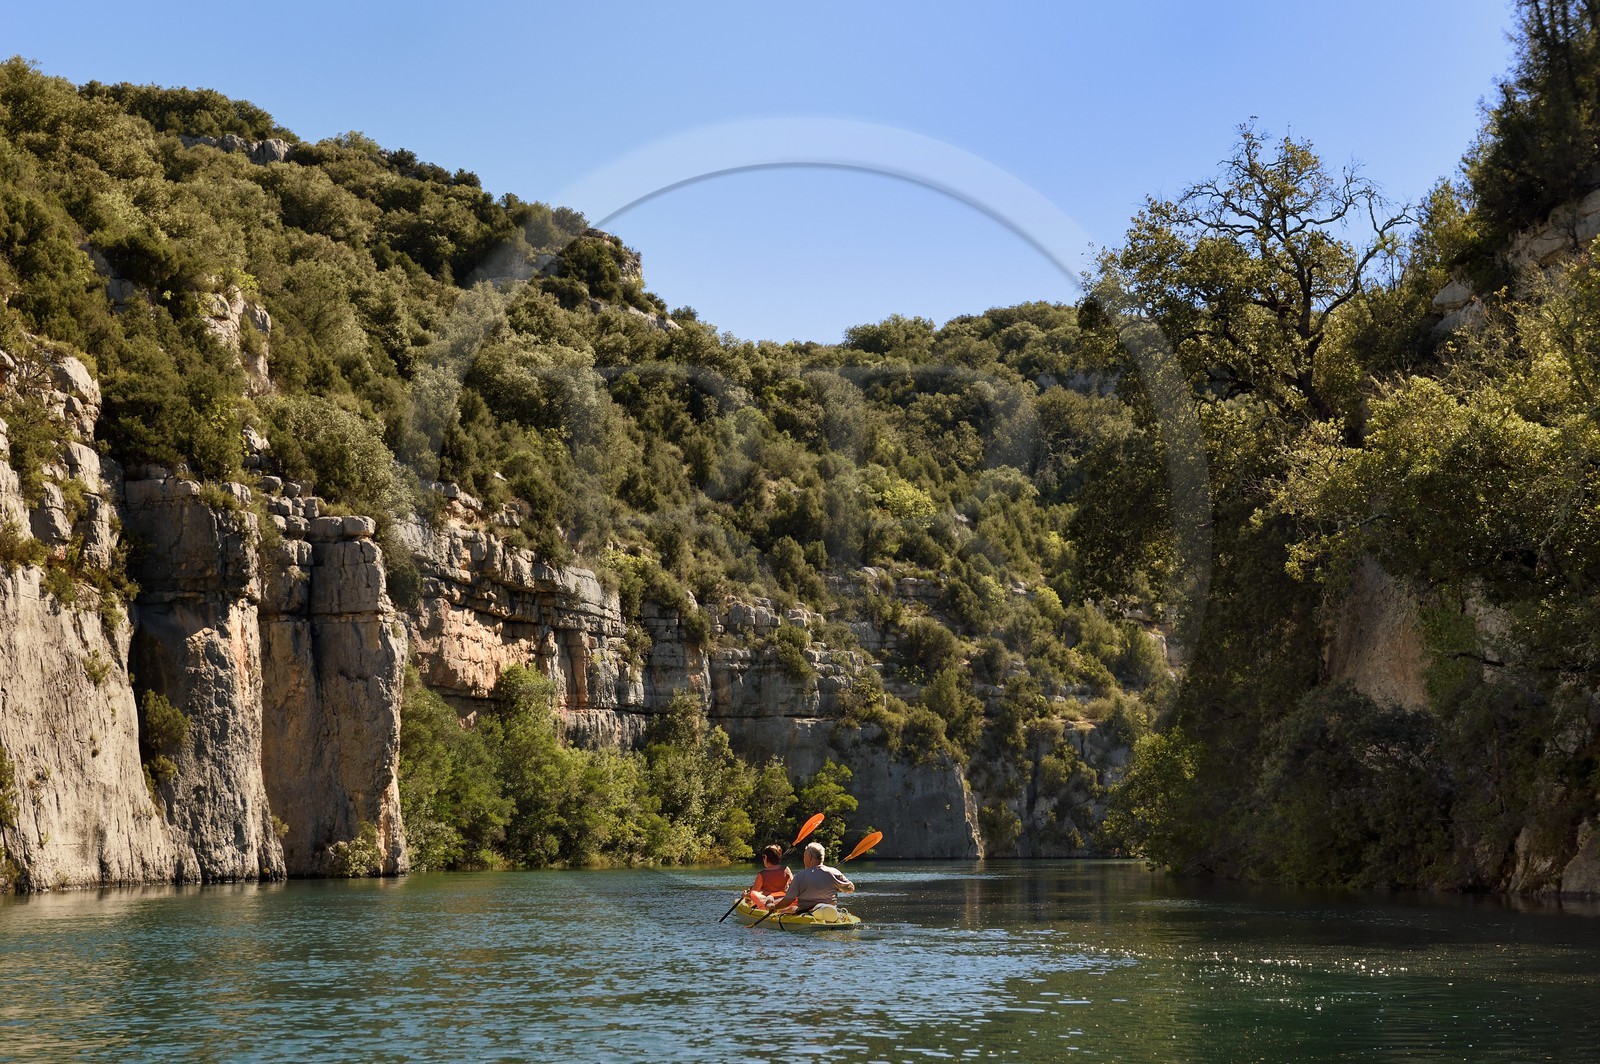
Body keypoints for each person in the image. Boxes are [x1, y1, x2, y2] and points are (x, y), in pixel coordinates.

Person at [768, 841, 854, 914]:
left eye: (804, 856)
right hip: (831, 912)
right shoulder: (834, 872)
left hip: (806, 913)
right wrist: (839, 887)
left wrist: (774, 908)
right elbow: (850, 888)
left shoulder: (800, 876)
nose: (803, 859)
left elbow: (787, 901)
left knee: (789, 909)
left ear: (809, 857)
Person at [746, 844, 793, 909]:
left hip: (767, 903)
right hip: (784, 902)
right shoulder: (786, 869)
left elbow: (753, 894)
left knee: (753, 893)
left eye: (763, 857)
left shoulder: (762, 874)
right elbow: (794, 886)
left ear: (765, 857)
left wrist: (745, 895)